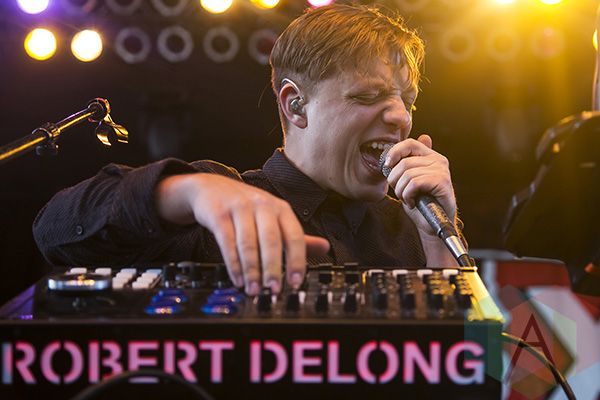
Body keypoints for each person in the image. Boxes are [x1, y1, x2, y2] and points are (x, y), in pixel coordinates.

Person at [33, 3, 461, 296]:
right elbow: (54, 231)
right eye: (368, 96)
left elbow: (482, 370)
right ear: (296, 105)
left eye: (407, 101)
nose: (401, 118)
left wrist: (439, 243)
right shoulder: (215, 201)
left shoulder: (412, 227)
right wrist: (184, 192)